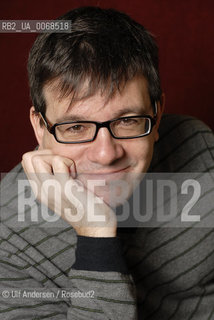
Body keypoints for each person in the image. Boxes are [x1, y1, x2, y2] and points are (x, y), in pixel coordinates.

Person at [1, 6, 214, 320]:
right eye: (76, 127)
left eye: (127, 121)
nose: (106, 154)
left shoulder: (198, 146)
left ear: (156, 115)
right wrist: (95, 234)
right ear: (39, 126)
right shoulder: (7, 239)